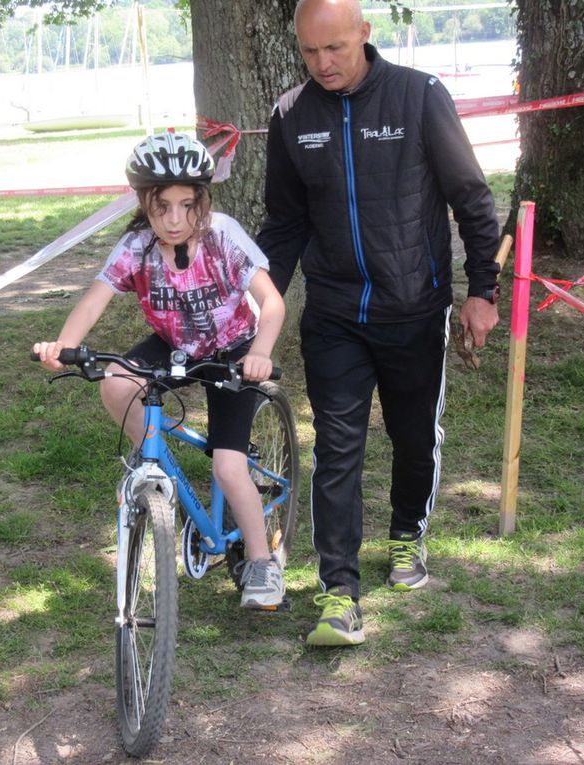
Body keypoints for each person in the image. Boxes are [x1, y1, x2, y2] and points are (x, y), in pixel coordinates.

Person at [256, 0, 501, 646]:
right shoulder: (290, 115)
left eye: (335, 48)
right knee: (337, 447)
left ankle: (405, 534)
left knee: (413, 433)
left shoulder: (419, 96)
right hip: (335, 314)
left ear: (365, 34)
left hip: (414, 308)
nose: (323, 64)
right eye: (310, 52)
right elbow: (283, 226)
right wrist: (259, 306)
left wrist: (482, 289)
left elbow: (471, 198)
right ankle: (337, 591)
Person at [33, 132, 288, 610]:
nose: (174, 219)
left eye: (186, 205)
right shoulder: (137, 246)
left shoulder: (223, 236)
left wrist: (260, 351)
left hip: (231, 349)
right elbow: (95, 298)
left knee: (228, 466)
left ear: (203, 202)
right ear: (143, 204)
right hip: (174, 344)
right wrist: (64, 345)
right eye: (161, 206)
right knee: (114, 380)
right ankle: (152, 460)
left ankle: (261, 562)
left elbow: (271, 302)